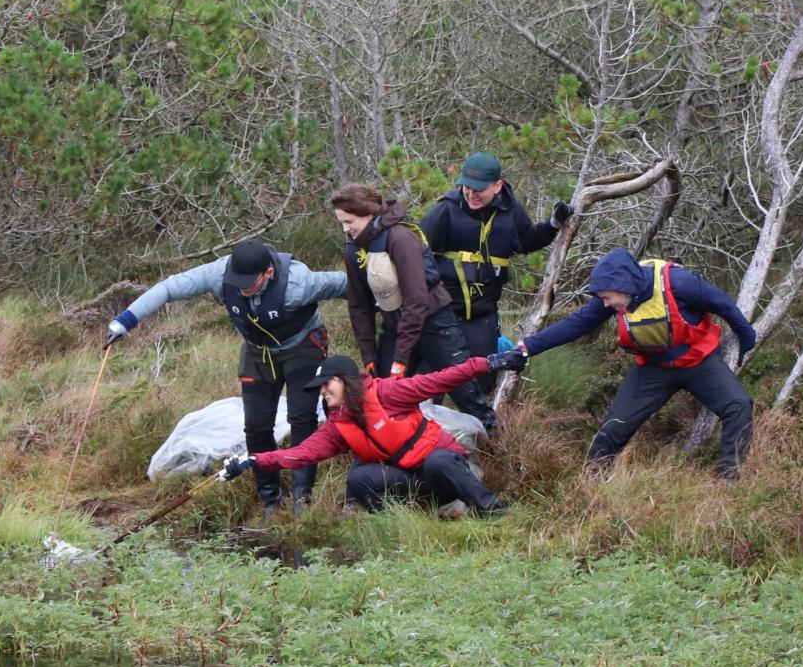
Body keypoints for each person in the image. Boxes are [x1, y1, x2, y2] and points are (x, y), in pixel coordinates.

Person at [104, 240, 346, 517]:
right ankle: (271, 501)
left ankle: (302, 501)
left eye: (249, 282)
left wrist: (387, 303)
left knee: (302, 419)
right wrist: (125, 321)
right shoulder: (219, 274)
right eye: (237, 281)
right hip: (258, 351)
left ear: (268, 273)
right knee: (256, 426)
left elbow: (348, 284)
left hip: (302, 344)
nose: (241, 288)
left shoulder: (299, 282)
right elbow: (169, 288)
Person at [517, 248, 756, 480]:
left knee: (738, 405)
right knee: (614, 427)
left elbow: (723, 304)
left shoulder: (680, 283)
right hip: (654, 367)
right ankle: (591, 483)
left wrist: (746, 340)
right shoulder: (616, 295)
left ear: (624, 286)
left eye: (608, 298)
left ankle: (730, 479)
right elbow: (575, 324)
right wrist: (527, 348)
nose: (606, 304)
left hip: (698, 360)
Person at [218, 351, 528, 516]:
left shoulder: (388, 392)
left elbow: (440, 380)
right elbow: (300, 453)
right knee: (359, 479)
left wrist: (489, 362)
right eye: (320, 388)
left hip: (448, 468)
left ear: (345, 379)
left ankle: (491, 510)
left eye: (328, 384)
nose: (323, 392)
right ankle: (412, 516)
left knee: (437, 463)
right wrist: (253, 461)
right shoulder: (337, 426)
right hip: (414, 484)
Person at [331, 184, 498, 431]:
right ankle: (397, 455)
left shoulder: (400, 238)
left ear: (368, 213)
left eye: (349, 221)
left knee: (464, 391)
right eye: (341, 223)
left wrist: (400, 359)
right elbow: (359, 305)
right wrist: (369, 355)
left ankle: (496, 442)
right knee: (385, 394)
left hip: (434, 323)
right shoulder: (354, 247)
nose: (346, 229)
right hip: (394, 327)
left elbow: (416, 300)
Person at [419, 152, 573, 389]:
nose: (470, 194)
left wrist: (554, 224)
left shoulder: (511, 212)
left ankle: (479, 423)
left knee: (482, 382)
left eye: (478, 189)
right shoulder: (444, 211)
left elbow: (528, 240)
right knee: (429, 383)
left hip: (482, 315)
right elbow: (416, 255)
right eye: (466, 187)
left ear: (497, 185)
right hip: (442, 312)